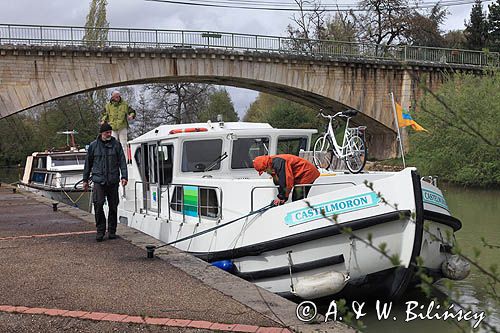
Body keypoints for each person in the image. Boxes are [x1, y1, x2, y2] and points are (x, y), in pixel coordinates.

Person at [82, 123, 128, 242]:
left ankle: (112, 231)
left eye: (110, 132)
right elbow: (88, 164)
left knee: (113, 206)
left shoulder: (116, 145)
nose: (109, 134)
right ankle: (100, 230)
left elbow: (122, 162)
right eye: (107, 132)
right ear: (101, 133)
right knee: (98, 205)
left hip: (112, 180)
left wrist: (124, 176)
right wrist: (85, 180)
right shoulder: (93, 146)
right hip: (99, 181)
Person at [253, 154, 320, 206]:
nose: (265, 172)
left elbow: (287, 181)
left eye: (264, 170)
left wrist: (281, 197)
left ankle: (298, 218)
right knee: (295, 198)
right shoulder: (272, 162)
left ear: (266, 166)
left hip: (307, 173)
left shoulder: (279, 163)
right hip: (300, 174)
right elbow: (279, 181)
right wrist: (283, 197)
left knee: (297, 199)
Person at [101, 90, 135, 159]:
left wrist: (131, 116)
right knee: (112, 145)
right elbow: (104, 114)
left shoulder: (124, 104)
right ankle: (113, 160)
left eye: (118, 96)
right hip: (112, 128)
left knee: (123, 145)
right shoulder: (108, 106)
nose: (118, 98)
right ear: (112, 97)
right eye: (116, 97)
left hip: (122, 127)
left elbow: (132, 111)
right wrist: (103, 120)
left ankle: (124, 161)